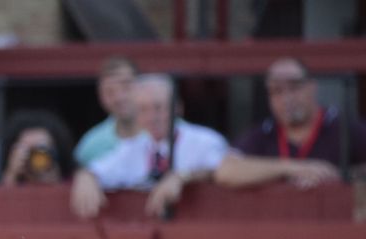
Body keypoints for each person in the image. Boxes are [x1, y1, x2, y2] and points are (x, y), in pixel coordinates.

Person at [71, 74, 227, 220]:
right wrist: (86, 177)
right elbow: (99, 169)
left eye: (158, 107)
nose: (152, 117)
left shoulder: (206, 141)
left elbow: (223, 169)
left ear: (178, 108)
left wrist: (182, 177)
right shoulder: (134, 147)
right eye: (143, 110)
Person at [215, 56, 366, 189]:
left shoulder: (342, 127)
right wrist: (291, 167)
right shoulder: (265, 131)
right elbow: (226, 171)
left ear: (312, 86)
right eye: (277, 91)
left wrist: (340, 175)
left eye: (294, 88)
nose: (287, 99)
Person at [73, 56, 137, 167]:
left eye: (126, 86)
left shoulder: (171, 132)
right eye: (109, 91)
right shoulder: (90, 145)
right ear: (100, 97)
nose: (119, 97)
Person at [0, 109, 74, 186]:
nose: (34, 156)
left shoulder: (76, 183)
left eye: (42, 150)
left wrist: (55, 180)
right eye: (27, 151)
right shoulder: (12, 179)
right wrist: (11, 175)